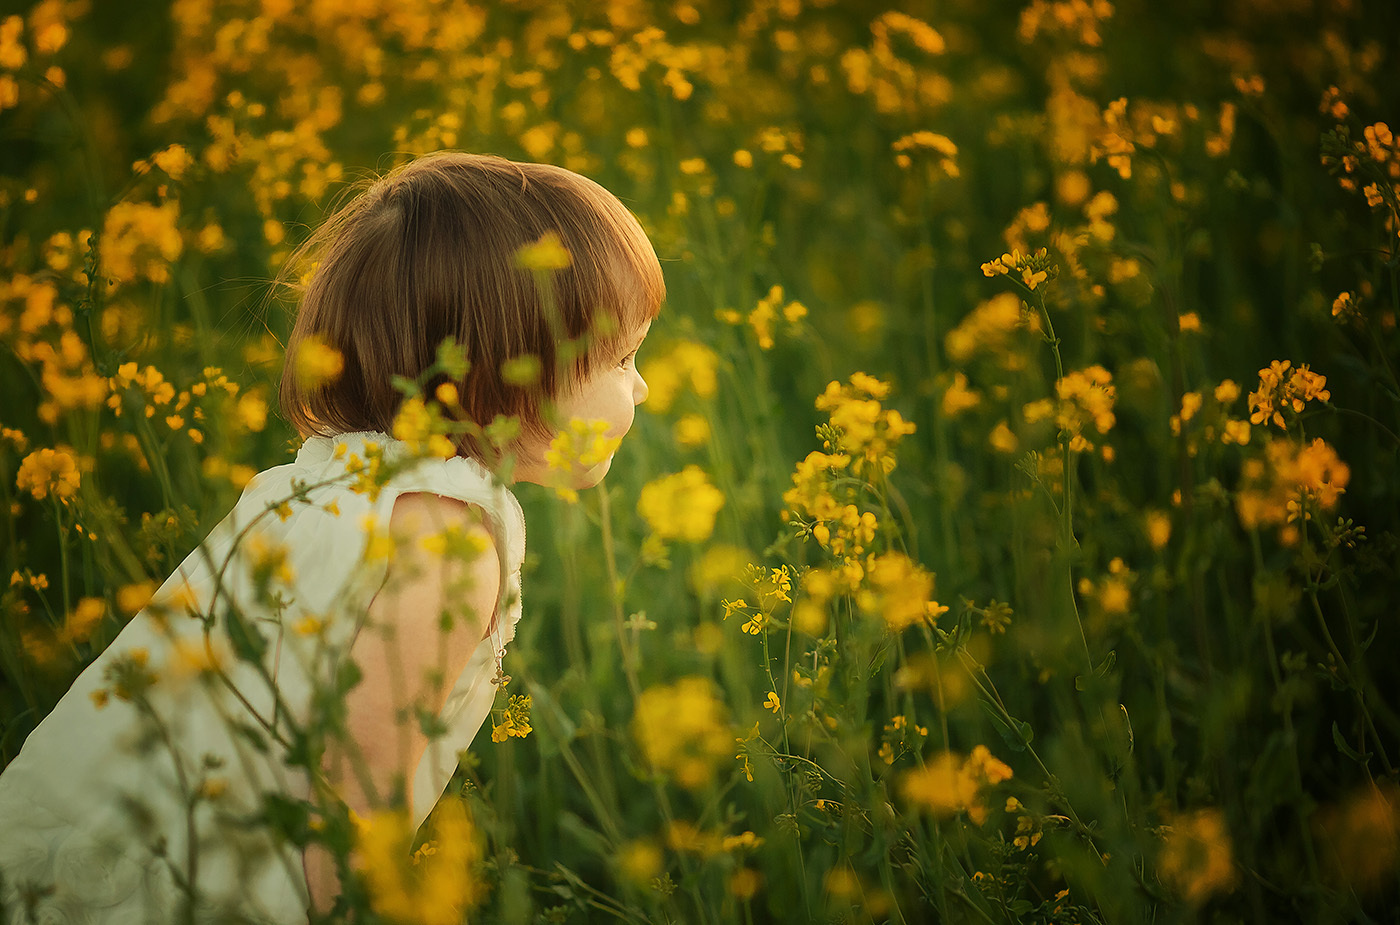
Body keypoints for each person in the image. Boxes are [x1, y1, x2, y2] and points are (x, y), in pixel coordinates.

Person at [0, 152, 662, 923]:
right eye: (620, 358)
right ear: (506, 372)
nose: (640, 385)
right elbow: (347, 818)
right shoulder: (443, 549)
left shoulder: (322, 480)